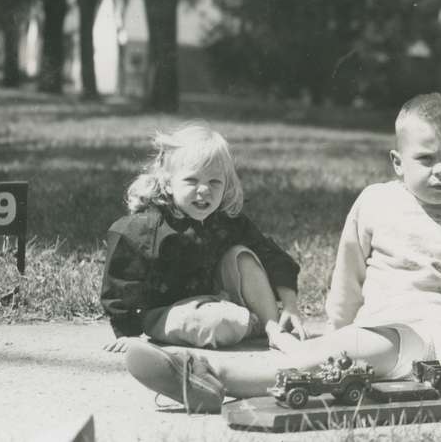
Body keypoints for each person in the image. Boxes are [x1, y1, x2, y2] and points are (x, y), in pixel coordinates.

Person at [120, 92, 441, 414]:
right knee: (322, 358)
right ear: (396, 161)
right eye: (426, 159)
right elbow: (348, 278)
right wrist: (338, 329)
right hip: (395, 333)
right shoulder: (375, 201)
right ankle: (205, 377)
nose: (440, 171)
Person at [99, 123, 306, 358]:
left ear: (226, 185)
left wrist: (290, 305)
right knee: (215, 323)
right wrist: (128, 333)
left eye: (214, 182)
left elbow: (273, 257)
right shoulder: (143, 228)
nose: (204, 190)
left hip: (218, 299)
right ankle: (250, 323)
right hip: (169, 311)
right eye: (191, 180)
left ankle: (273, 329)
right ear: (167, 182)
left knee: (243, 254)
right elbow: (122, 282)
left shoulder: (228, 221)